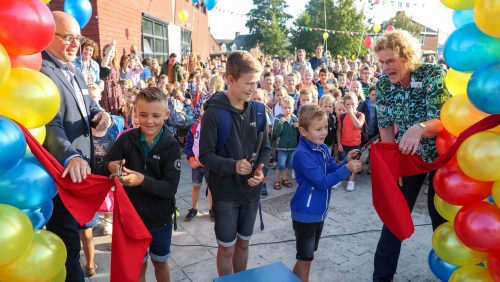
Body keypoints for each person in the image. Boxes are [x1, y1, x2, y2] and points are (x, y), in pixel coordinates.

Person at [372, 29, 450, 282]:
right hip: (408, 158)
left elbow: (445, 120)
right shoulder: (383, 85)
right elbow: (384, 126)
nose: (385, 67)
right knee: (394, 217)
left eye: (391, 61)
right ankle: (381, 278)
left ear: (407, 57)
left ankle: (451, 272)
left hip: (441, 158)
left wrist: (420, 128)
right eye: (382, 62)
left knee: (440, 217)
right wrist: (393, 168)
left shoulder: (433, 75)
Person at [41, 11, 112, 282]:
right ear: (49, 35)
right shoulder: (42, 71)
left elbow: (90, 105)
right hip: (64, 176)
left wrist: (101, 113)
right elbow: (50, 123)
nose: (75, 44)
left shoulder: (75, 69)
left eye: (78, 38)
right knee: (69, 249)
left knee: (82, 233)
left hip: (84, 173)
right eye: (67, 37)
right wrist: (69, 156)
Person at [199, 50, 271, 276]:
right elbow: (205, 155)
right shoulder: (214, 112)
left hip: (250, 193)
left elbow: (266, 149)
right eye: (248, 83)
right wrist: (233, 166)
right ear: (230, 78)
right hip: (225, 194)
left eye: (256, 82)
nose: (253, 88)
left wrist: (262, 170)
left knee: (244, 244)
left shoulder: (259, 111)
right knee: (227, 248)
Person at [106, 87, 181, 282]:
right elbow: (106, 165)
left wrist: (141, 181)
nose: (149, 121)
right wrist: (110, 166)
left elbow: (170, 188)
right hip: (132, 218)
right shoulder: (125, 139)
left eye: (156, 115)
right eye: (143, 115)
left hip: (160, 219)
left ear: (166, 114)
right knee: (138, 264)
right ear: (135, 113)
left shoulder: (171, 145)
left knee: (161, 262)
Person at [290, 104, 362, 282]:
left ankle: (291, 279)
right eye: (318, 129)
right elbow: (322, 182)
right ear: (303, 131)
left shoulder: (321, 147)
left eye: (326, 128)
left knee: (306, 257)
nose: (324, 132)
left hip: (318, 213)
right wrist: (346, 169)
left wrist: (345, 160)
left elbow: (331, 168)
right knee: (306, 259)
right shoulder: (301, 154)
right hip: (305, 214)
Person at [184, 104, 213, 221]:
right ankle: (194, 208)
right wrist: (191, 159)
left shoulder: (213, 128)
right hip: (196, 164)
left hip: (209, 164)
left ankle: (212, 210)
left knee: (211, 188)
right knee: (196, 186)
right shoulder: (194, 127)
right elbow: (188, 145)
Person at [336, 93, 365, 191]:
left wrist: (351, 113)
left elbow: (358, 125)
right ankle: (339, 179)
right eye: (347, 104)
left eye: (352, 104)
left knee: (354, 162)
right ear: (344, 105)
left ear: (357, 104)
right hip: (344, 143)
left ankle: (351, 181)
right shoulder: (342, 116)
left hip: (355, 144)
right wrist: (339, 142)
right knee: (341, 162)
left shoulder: (360, 115)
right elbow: (339, 130)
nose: (350, 106)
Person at [272, 95, 298, 190]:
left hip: (292, 146)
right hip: (282, 147)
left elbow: (300, 132)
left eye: (289, 108)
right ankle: (277, 180)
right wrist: (280, 124)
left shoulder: (295, 118)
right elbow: (276, 132)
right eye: (285, 108)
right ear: (281, 108)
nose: (287, 110)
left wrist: (299, 126)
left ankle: (285, 178)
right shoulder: (278, 118)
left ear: (293, 107)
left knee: (289, 164)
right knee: (281, 164)